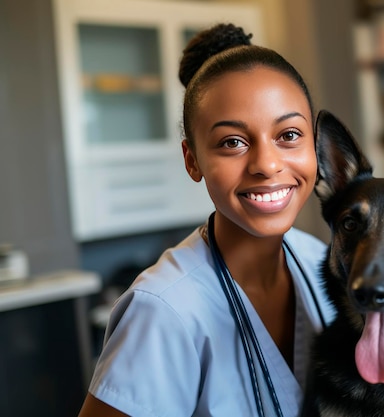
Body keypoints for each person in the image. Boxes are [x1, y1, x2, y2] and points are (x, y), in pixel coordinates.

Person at [78, 23, 333, 417]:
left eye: (288, 135)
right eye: (233, 142)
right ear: (192, 160)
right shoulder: (163, 310)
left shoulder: (322, 264)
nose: (267, 164)